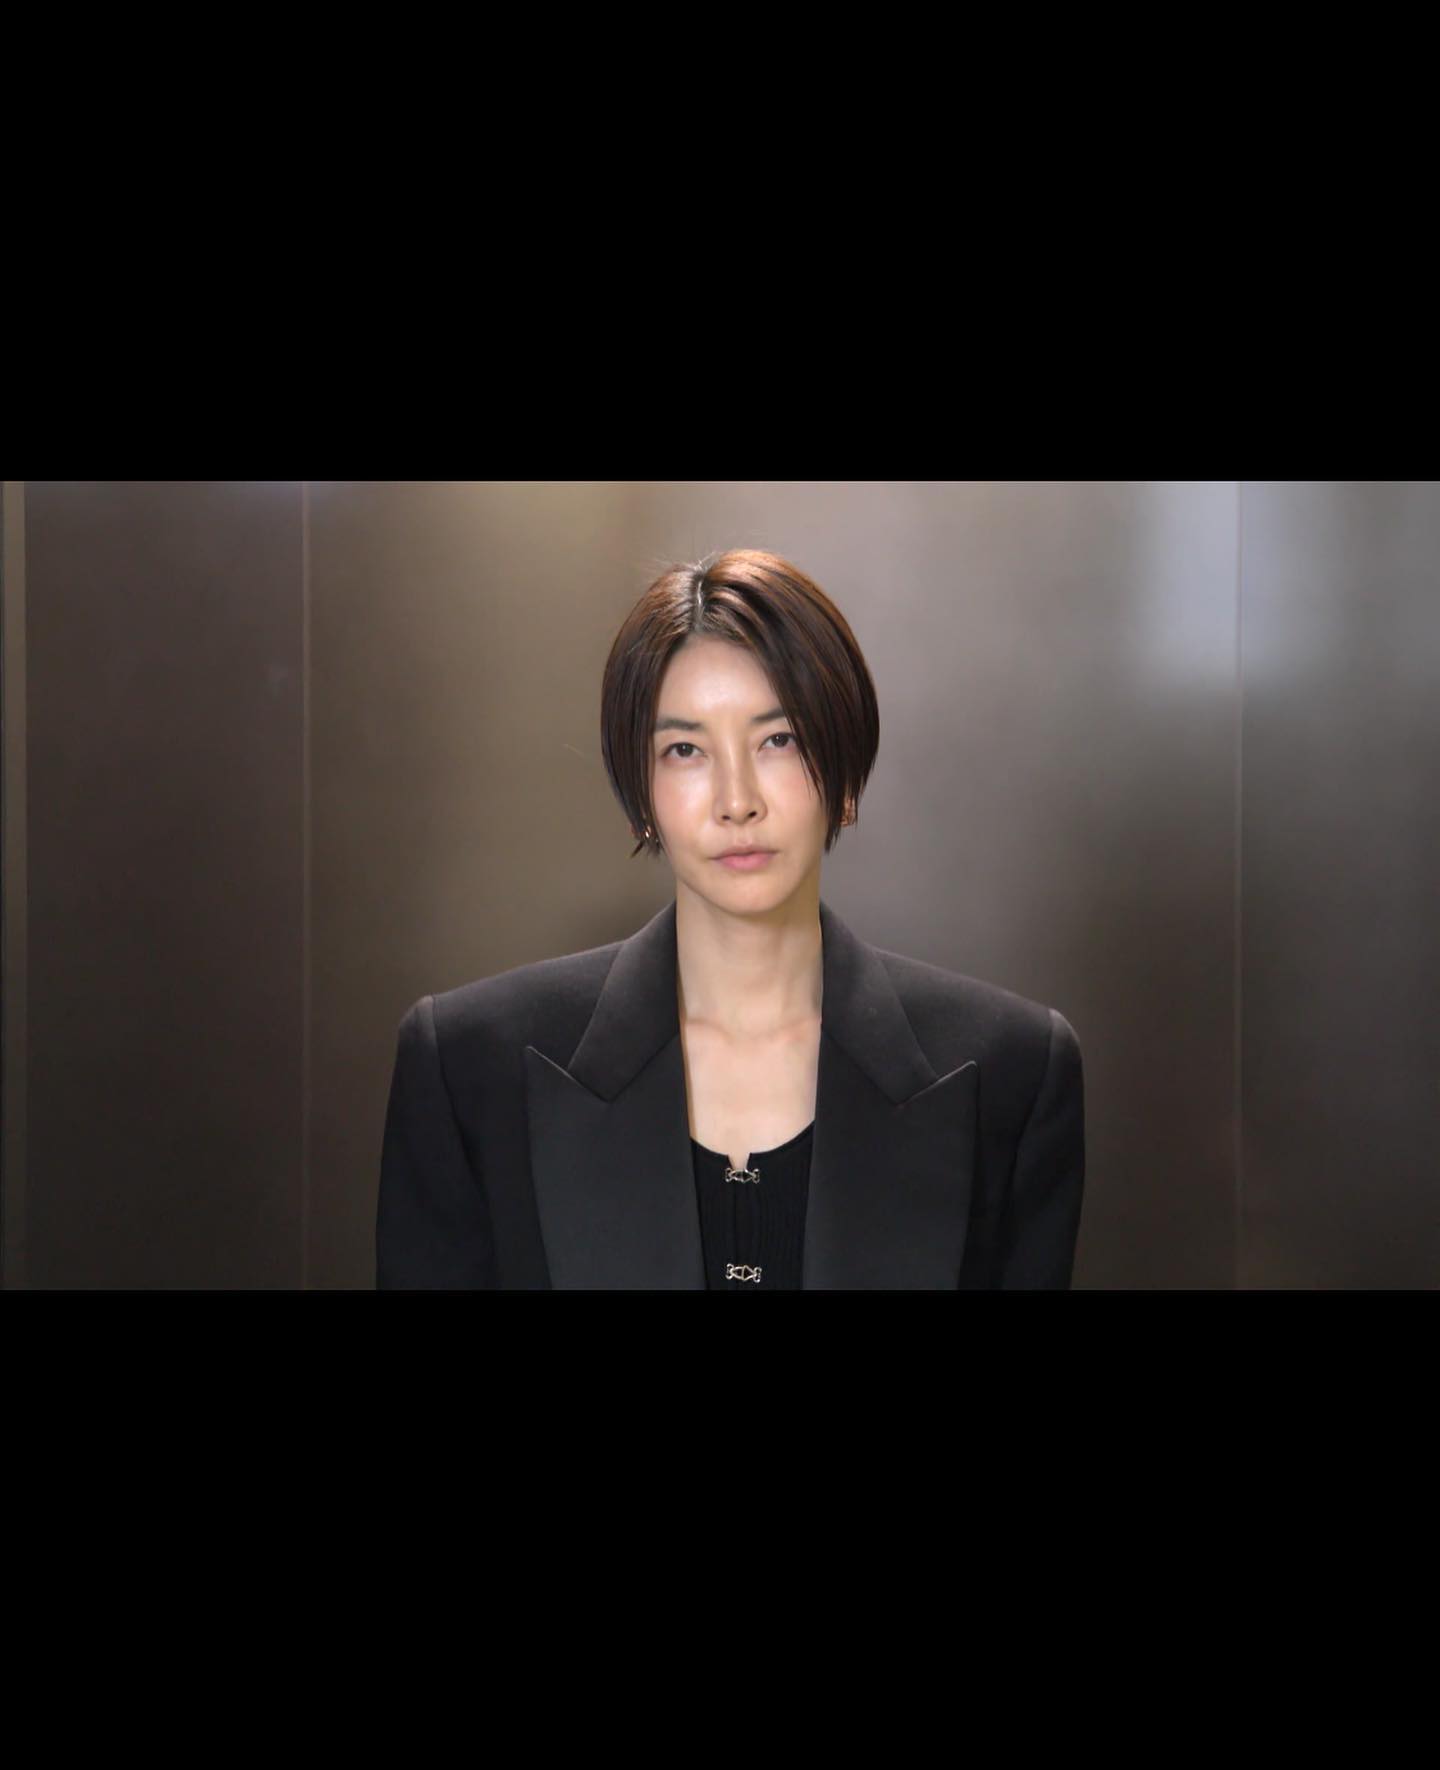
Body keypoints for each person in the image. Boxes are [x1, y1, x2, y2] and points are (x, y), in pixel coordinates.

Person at [377, 547, 1085, 1289]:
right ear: (641, 797)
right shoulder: (469, 1068)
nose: (736, 800)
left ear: (844, 777)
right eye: (685, 750)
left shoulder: (1013, 1072)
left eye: (778, 740)